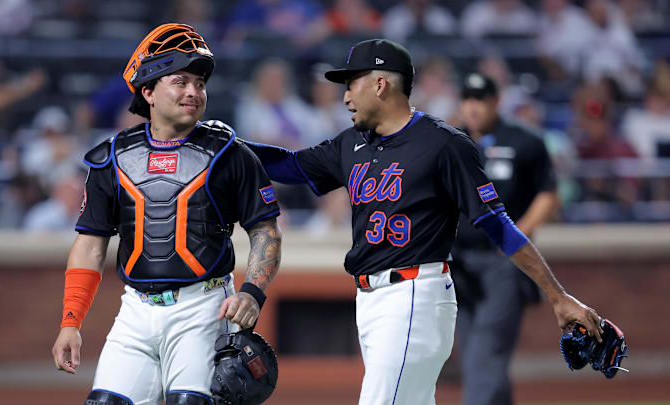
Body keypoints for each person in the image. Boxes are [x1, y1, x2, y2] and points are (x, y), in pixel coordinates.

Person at [246, 38, 603, 405]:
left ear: (380, 84)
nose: (346, 97)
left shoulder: (444, 144)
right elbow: (289, 165)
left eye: (352, 83)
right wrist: (223, 145)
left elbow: (499, 226)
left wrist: (557, 297)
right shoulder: (351, 143)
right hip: (370, 301)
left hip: (415, 295)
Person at [50, 24, 282, 405]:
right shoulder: (112, 156)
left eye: (199, 83)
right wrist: (70, 323)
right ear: (148, 92)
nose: (193, 91)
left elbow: (265, 231)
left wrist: (253, 292)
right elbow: (90, 244)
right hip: (135, 310)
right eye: (180, 81)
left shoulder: (231, 154)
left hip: (203, 307)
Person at [452, 73, 559, 405]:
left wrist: (517, 236)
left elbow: (548, 194)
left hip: (502, 260)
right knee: (474, 351)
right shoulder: (451, 142)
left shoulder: (525, 142)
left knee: (486, 350)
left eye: (480, 99)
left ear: (496, 101)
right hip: (458, 263)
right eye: (468, 99)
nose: (473, 107)